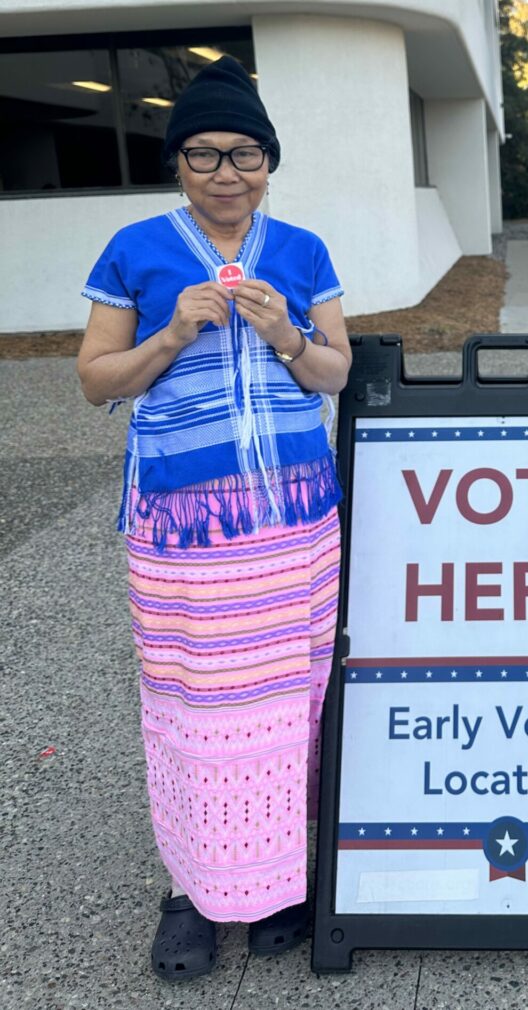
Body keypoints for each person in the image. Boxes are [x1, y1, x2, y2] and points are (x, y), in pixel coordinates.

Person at [76, 57, 352, 978]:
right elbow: (93, 381)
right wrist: (169, 333)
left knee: (291, 706)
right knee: (195, 707)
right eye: (205, 154)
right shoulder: (135, 249)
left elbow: (335, 373)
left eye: (245, 154)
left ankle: (283, 883)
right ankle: (192, 890)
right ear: (178, 161)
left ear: (268, 161)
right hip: (186, 532)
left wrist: (284, 333)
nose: (226, 172)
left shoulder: (303, 250)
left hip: (293, 524)